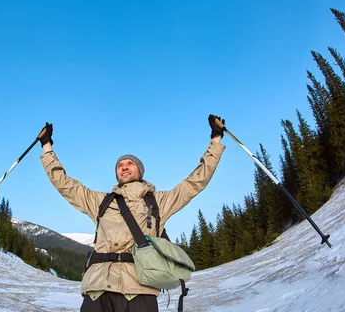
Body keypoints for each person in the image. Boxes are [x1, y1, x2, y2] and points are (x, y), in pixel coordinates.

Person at [39, 115, 226, 312]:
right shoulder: (100, 202)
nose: (124, 167)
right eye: (120, 165)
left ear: (140, 171)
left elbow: (195, 182)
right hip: (98, 288)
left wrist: (215, 140)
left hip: (140, 290)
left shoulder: (159, 201)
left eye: (130, 164)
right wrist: (46, 146)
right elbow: (64, 184)